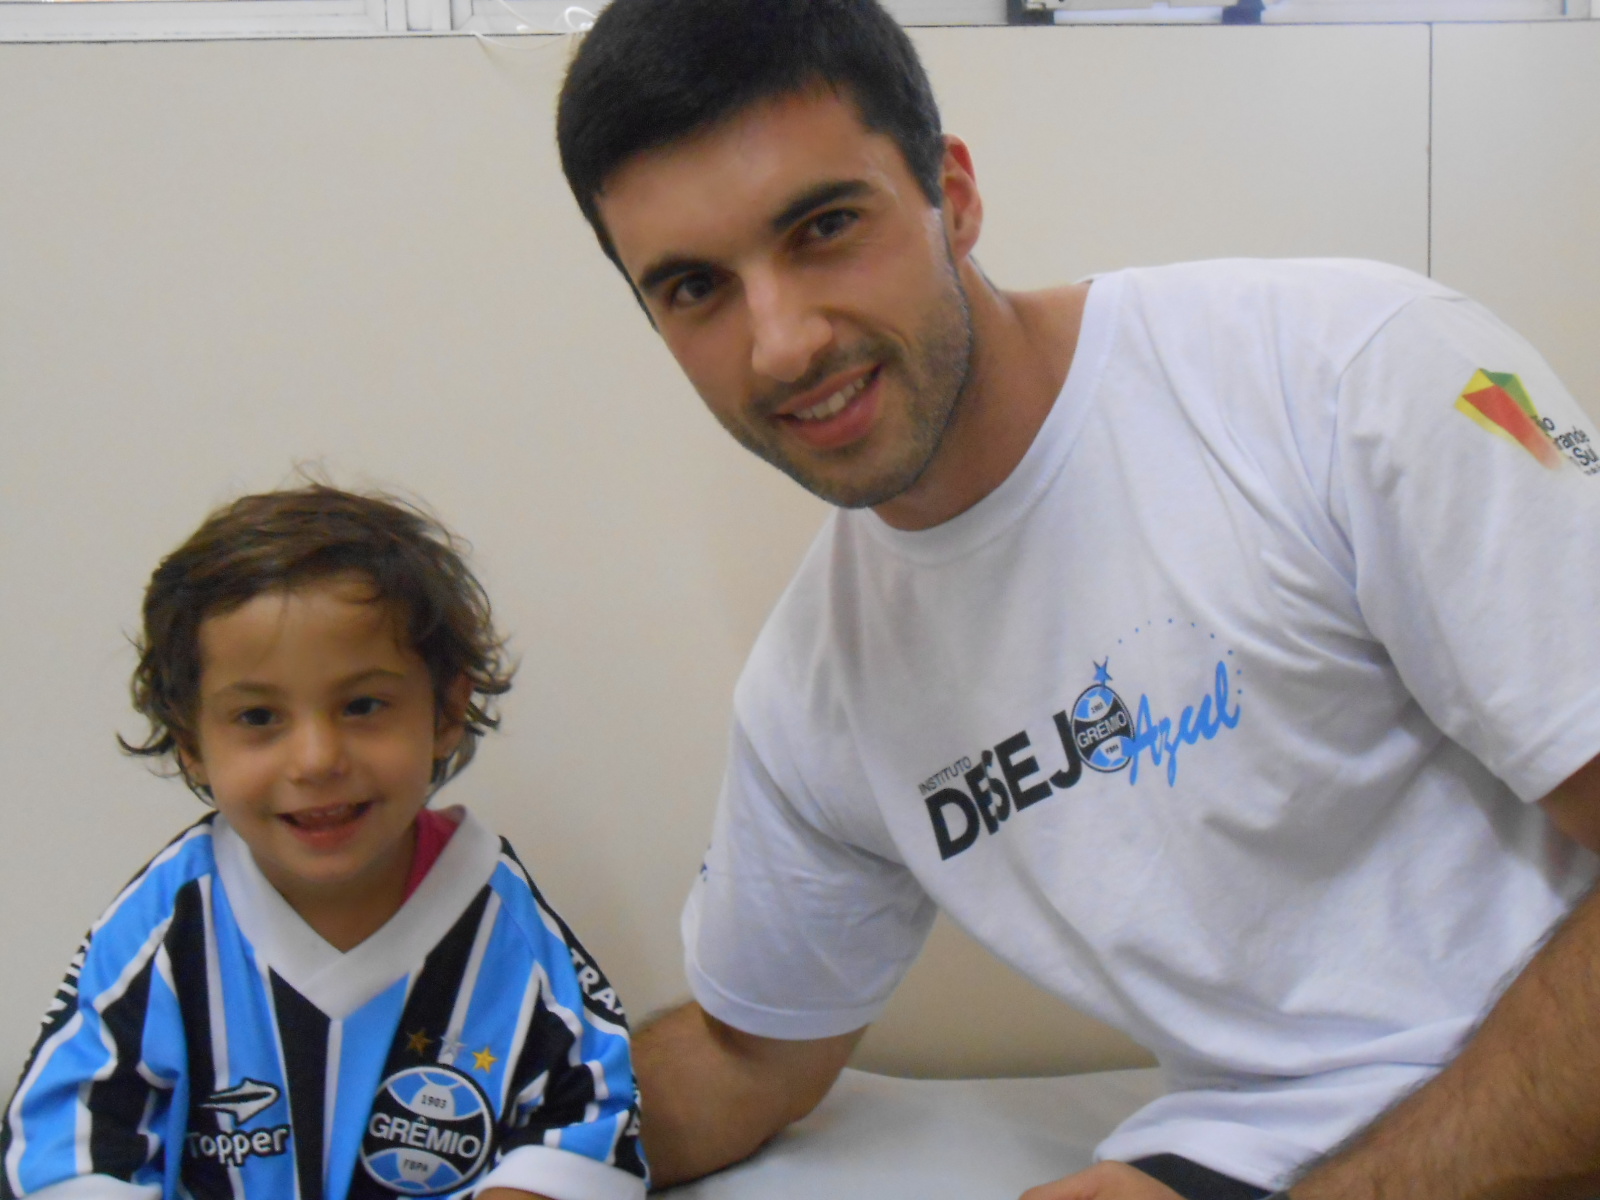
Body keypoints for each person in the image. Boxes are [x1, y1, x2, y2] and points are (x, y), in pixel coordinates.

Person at [554, 1, 1600, 1197]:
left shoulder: (1353, 374)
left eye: (825, 227)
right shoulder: (817, 691)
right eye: (695, 289)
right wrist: (457, 1121)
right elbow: (746, 1061)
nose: (780, 343)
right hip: (1251, 1154)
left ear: (952, 195)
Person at [0, 485, 647, 1200]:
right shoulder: (164, 928)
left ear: (446, 710)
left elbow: (591, 1122)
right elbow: (64, 1148)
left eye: (363, 705)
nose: (315, 759)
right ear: (191, 743)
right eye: (257, 716)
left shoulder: (505, 926)